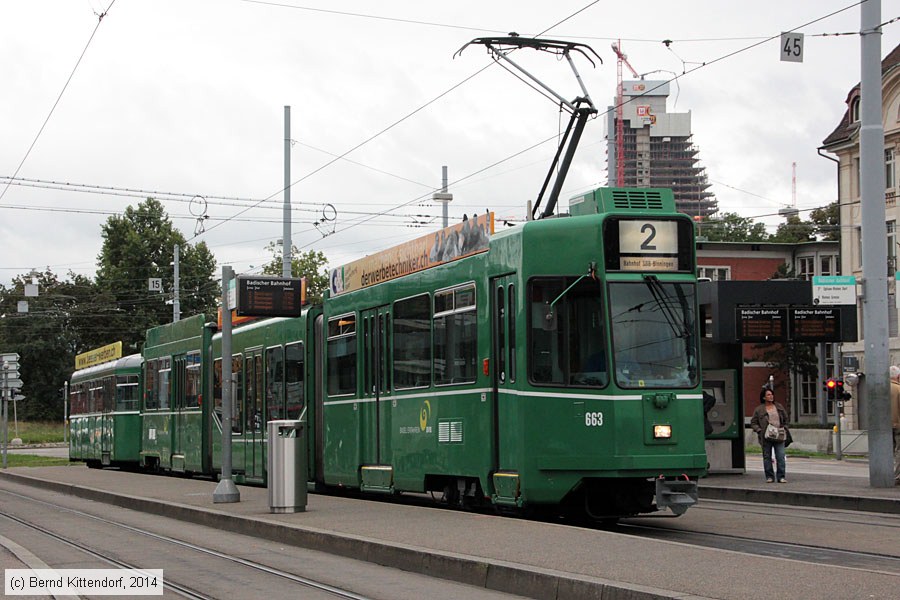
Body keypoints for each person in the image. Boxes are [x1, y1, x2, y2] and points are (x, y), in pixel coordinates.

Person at [750, 387, 789, 483]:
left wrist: (785, 428)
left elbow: (786, 418)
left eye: (771, 394)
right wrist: (759, 430)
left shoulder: (778, 407)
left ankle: (781, 476)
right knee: (767, 457)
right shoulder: (759, 409)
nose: (771, 396)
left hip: (779, 434)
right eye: (768, 395)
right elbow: (753, 422)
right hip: (766, 436)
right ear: (764, 397)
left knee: (780, 456)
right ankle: (769, 476)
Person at [891, 366, 900, 485]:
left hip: (882, 426)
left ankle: (884, 474)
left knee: (886, 451)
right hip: (898, 425)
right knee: (899, 451)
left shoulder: (880, 388)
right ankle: (897, 476)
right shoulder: (898, 389)